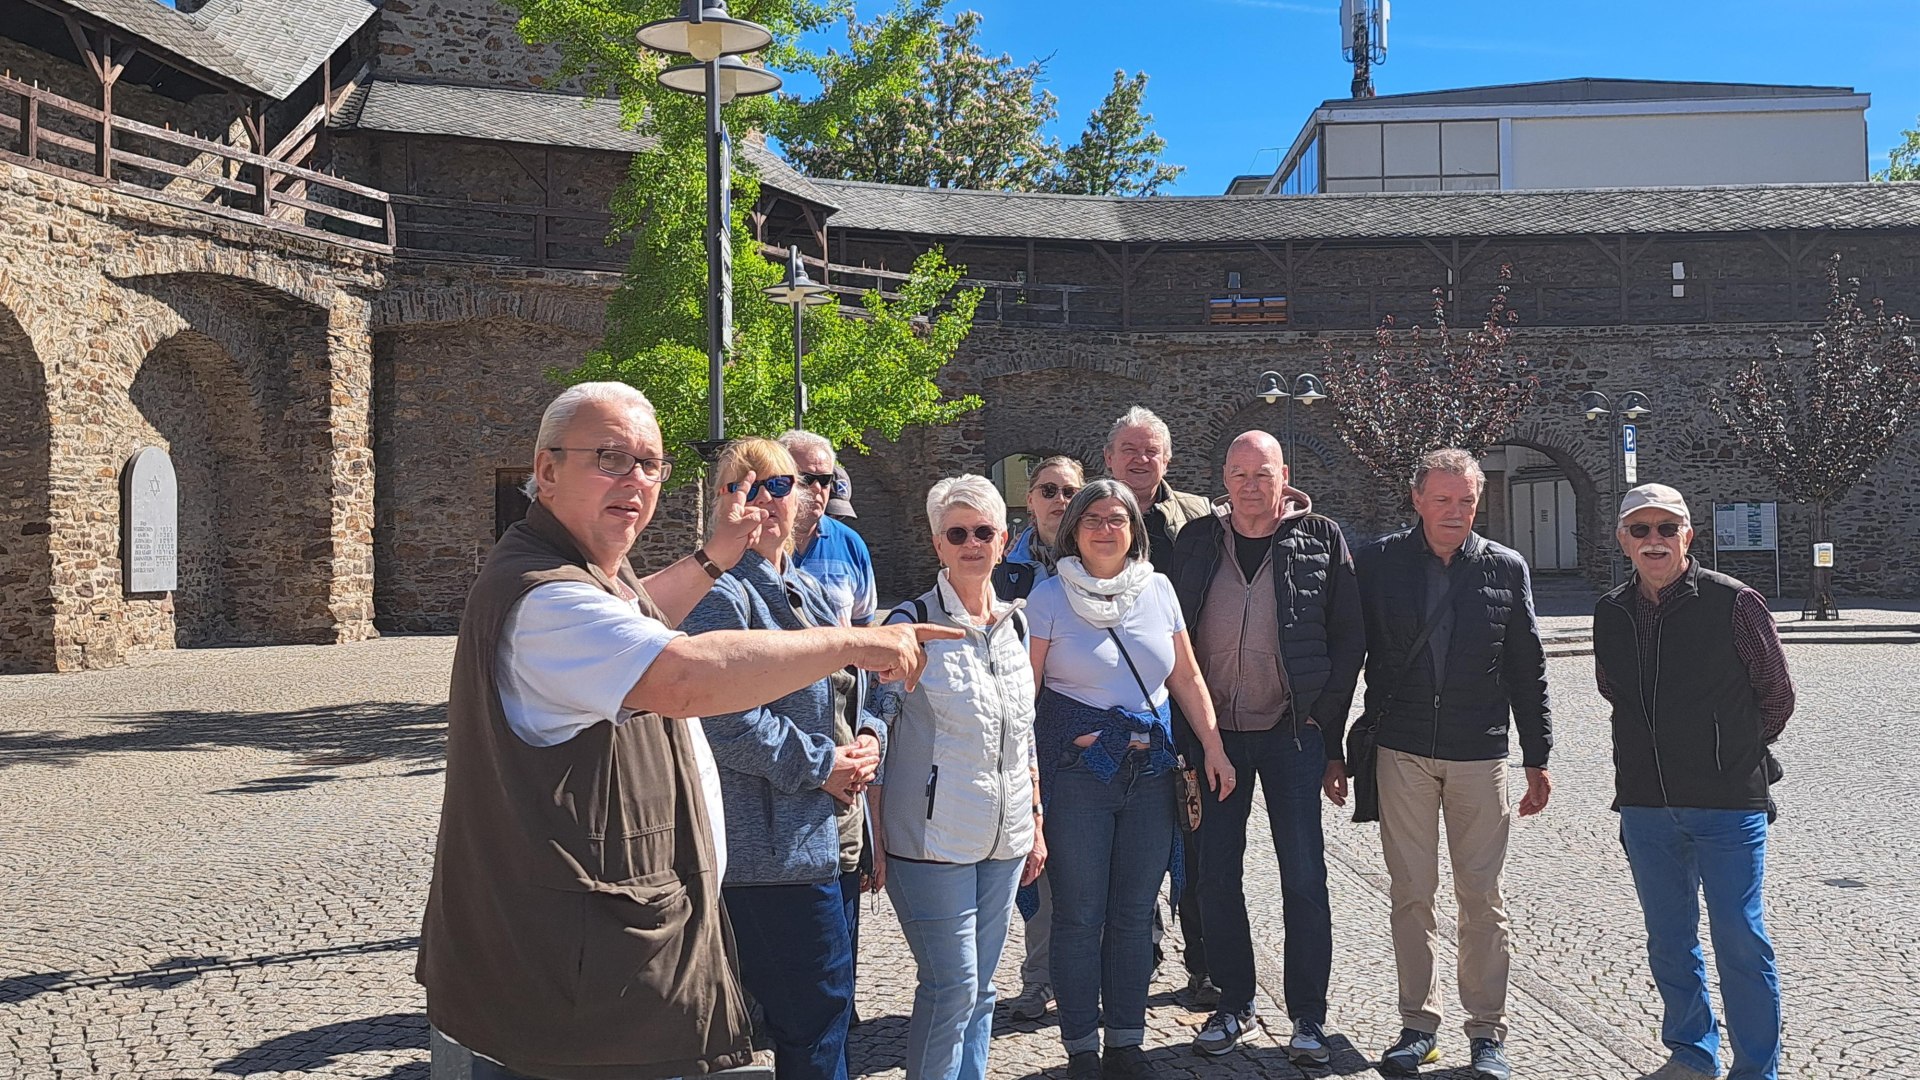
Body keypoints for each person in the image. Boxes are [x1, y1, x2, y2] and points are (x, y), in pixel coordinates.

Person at [416, 383, 957, 1080]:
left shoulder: (586, 575)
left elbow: (647, 613)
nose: (636, 479)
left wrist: (712, 557)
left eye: (650, 463)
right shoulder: (545, 595)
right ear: (545, 472)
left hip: (595, 958)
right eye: (610, 458)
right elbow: (685, 677)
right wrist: (855, 643)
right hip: (574, 975)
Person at [682, 437, 890, 1080]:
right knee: (812, 1015)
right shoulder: (725, 597)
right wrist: (821, 764)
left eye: (783, 485)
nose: (770, 500)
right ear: (724, 501)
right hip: (770, 848)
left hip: (826, 833)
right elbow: (724, 718)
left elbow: (854, 690)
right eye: (751, 487)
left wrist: (869, 737)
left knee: (827, 1011)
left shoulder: (806, 589)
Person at [1352, 448, 1552, 1080]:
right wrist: (1334, 747)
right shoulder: (1379, 563)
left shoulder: (1504, 567)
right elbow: (1347, 652)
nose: (1457, 513)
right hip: (1403, 751)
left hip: (1480, 752)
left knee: (1482, 899)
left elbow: (1528, 665)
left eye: (1467, 501)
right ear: (1417, 500)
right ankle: (1418, 1025)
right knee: (1411, 894)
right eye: (1443, 500)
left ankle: (1488, 1032)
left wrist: (1538, 756)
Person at [1166, 431, 1365, 1064]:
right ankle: (1233, 1002)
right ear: (1223, 478)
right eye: (1240, 473)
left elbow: (1347, 640)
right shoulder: (1196, 540)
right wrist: (1191, 730)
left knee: (1303, 875)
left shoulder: (1322, 539)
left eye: (1264, 473)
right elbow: (1169, 632)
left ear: (1286, 477)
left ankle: (1308, 1016)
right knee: (1216, 874)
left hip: (1291, 735)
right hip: (1214, 738)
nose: (1251, 485)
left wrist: (1323, 728)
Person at [1026, 478, 1234, 1080]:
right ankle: (1081, 1048)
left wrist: (1213, 745)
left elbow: (1187, 678)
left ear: (1134, 529)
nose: (1104, 528)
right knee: (1079, 912)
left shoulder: (1158, 590)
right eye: (1091, 518)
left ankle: (1125, 1041)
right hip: (1077, 777)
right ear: (1074, 530)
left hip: (1150, 773)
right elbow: (1028, 695)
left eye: (1117, 518)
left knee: (1134, 910)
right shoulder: (1049, 598)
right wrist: (1030, 777)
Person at [1594, 484, 1792, 1080]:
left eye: (1665, 528)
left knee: (1740, 941)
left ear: (1688, 535)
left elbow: (1776, 696)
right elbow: (1615, 693)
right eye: (1640, 529)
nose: (1653, 540)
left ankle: (1756, 1069)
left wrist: (1728, 752)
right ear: (1623, 540)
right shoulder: (1611, 610)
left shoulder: (1735, 603)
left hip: (1727, 804)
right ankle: (1692, 1052)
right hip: (1647, 805)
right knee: (1669, 941)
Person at [869, 475, 1047, 1080]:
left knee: (982, 992)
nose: (972, 542)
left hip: (1004, 837)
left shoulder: (1017, 625)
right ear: (938, 544)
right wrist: (873, 827)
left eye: (984, 531)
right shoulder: (910, 623)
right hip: (931, 839)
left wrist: (1036, 820)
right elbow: (875, 722)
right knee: (953, 986)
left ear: (1003, 541)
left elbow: (1023, 734)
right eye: (957, 533)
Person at [1101, 406, 1214, 995]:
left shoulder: (1200, 517)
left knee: (1196, 836)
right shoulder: (1092, 516)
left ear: (1167, 458)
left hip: (1186, 700)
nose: (1141, 460)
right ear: (1109, 458)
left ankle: (1203, 962)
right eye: (1129, 450)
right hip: (1114, 702)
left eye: (1151, 450)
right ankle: (1133, 957)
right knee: (1125, 834)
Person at [993, 454, 1084, 1022]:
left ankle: (1096, 974)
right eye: (1047, 490)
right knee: (1038, 864)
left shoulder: (1099, 562)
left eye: (1067, 490)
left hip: (1086, 730)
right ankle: (1039, 977)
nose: (1057, 499)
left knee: (1091, 861)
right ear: (1031, 498)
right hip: (1027, 734)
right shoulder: (1004, 569)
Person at [781, 430, 878, 627]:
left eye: (825, 480)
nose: (817, 488)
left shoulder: (850, 543)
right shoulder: (753, 542)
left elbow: (863, 625)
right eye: (805, 478)